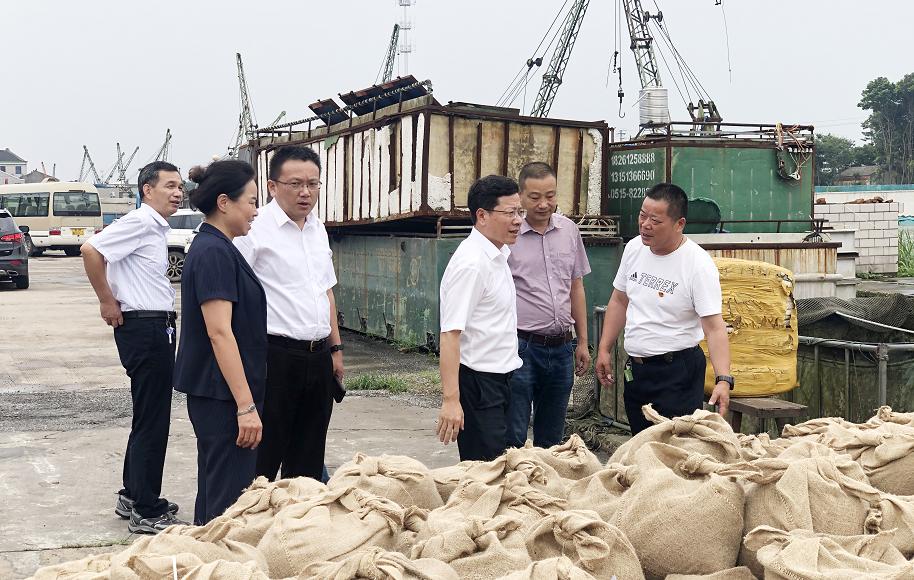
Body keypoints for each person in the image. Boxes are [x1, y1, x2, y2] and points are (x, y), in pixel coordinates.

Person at [80, 161, 188, 533]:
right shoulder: (141, 222)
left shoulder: (155, 227)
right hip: (145, 326)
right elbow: (90, 249)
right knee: (154, 418)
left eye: (180, 186)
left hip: (153, 325)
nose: (178, 192)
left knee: (148, 414)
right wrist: (106, 301)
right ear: (147, 189)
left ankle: (133, 493)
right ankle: (146, 508)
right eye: (170, 186)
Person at [234, 145, 344, 482]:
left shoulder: (317, 227)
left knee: (308, 457)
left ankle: (300, 527)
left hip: (318, 355)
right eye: (295, 183)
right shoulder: (254, 229)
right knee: (264, 456)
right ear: (272, 186)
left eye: (313, 184)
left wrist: (336, 349)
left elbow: (326, 290)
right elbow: (234, 297)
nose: (305, 192)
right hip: (274, 356)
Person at [595, 182, 733, 435]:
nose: (645, 225)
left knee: (674, 449)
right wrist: (604, 349)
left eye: (655, 220)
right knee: (640, 445)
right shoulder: (634, 248)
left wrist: (723, 379)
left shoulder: (697, 264)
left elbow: (714, 328)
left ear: (679, 224)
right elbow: (619, 300)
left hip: (677, 372)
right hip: (637, 371)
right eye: (642, 215)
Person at [173, 160, 266, 525]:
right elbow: (219, 332)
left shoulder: (219, 246)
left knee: (219, 493)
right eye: (252, 202)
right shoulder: (213, 252)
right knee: (229, 503)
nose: (256, 212)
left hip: (221, 392)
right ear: (225, 202)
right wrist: (245, 406)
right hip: (223, 397)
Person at [437, 175, 524, 461]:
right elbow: (450, 334)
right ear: (482, 216)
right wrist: (452, 400)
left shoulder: (497, 256)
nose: (517, 220)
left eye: (519, 212)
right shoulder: (472, 264)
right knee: (484, 474)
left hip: (503, 380)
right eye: (509, 213)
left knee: (505, 467)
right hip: (479, 386)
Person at [506, 162, 591, 448]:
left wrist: (582, 342)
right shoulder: (508, 235)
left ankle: (544, 488)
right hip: (521, 347)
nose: (544, 204)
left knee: (552, 438)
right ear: (520, 195)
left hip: (561, 348)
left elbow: (576, 287)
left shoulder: (569, 230)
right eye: (534, 197)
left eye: (550, 196)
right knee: (514, 434)